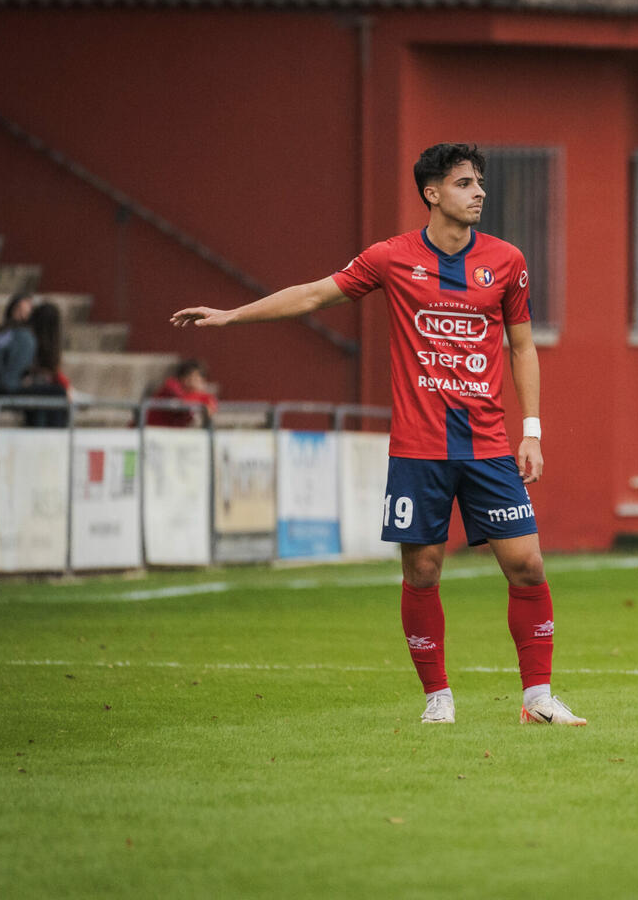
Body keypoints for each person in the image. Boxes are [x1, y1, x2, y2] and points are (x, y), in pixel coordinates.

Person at [172, 143, 584, 727]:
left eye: (479, 182)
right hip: (419, 449)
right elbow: (313, 293)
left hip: (488, 445)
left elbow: (522, 346)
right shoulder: (391, 258)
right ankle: (438, 698)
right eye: (464, 183)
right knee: (423, 571)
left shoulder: (507, 261)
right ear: (432, 193)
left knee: (529, 565)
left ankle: (537, 698)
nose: (479, 192)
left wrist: (532, 431)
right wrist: (233, 315)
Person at [145, 357, 218, 427]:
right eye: (192, 377)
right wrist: (201, 397)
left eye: (199, 378)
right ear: (182, 378)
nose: (195, 381)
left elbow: (211, 405)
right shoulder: (171, 385)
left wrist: (205, 399)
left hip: (172, 432)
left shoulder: (201, 396)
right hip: (151, 429)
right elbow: (183, 401)